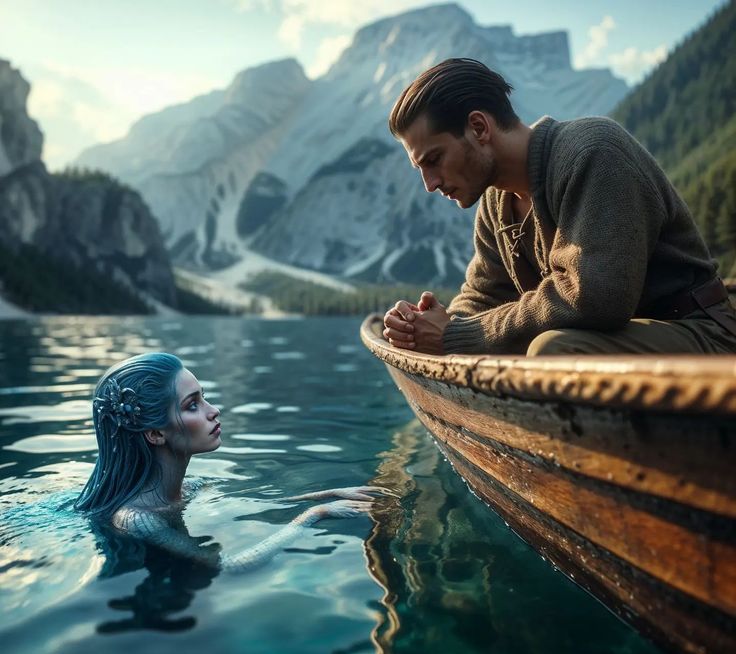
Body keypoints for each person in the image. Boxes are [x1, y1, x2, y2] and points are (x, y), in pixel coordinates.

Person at [382, 58, 736, 356]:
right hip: (621, 343)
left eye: (434, 159)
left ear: (478, 127)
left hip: (703, 337)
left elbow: (594, 298)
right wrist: (428, 325)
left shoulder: (593, 152)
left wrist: (454, 336)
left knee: (555, 350)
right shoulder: (495, 202)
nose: (429, 184)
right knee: (554, 347)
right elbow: (485, 295)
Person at [75, 352, 381, 573]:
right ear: (155, 433)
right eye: (193, 405)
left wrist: (323, 495)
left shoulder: (190, 487)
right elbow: (231, 566)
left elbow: (247, 503)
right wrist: (314, 515)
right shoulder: (138, 519)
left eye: (204, 398)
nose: (214, 410)